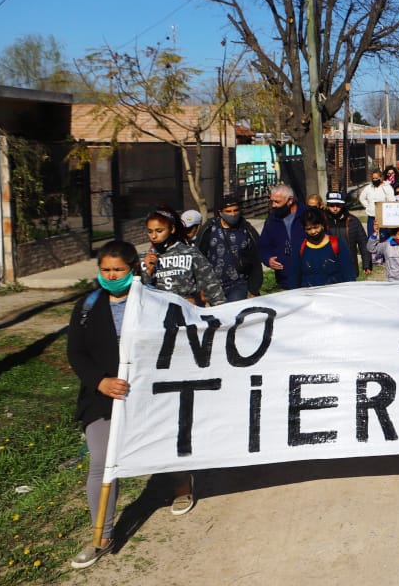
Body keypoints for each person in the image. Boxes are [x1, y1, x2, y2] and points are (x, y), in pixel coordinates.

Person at [67, 241, 194, 569]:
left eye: (118, 270)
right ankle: (101, 536)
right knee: (101, 463)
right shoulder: (87, 306)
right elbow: (76, 353)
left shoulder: (154, 302)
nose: (111, 275)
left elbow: (180, 338)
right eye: (105, 270)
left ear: (133, 268)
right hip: (102, 399)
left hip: (151, 392)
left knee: (165, 446)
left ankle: (181, 486)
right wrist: (101, 382)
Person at [143, 205, 226, 305]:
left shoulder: (190, 253)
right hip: (158, 313)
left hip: (188, 313)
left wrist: (223, 313)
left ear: (172, 229)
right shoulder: (144, 258)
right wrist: (148, 272)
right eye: (150, 231)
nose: (154, 236)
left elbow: (211, 286)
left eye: (159, 231)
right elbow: (138, 294)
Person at [195, 193, 262, 302]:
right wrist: (201, 287)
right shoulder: (209, 229)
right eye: (228, 211)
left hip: (238, 284)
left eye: (235, 210)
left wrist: (254, 289)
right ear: (220, 212)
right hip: (213, 285)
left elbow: (255, 259)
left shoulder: (246, 229)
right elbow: (198, 257)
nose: (233, 214)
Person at [258, 184, 308, 290]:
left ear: (290, 201)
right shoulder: (272, 220)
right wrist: (268, 259)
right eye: (272, 201)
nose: (273, 205)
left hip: (310, 276)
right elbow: (264, 245)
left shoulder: (308, 214)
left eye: (277, 202)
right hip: (285, 279)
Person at [297, 208, 357, 286]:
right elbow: (294, 277)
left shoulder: (338, 244)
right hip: (309, 296)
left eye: (316, 227)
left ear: (322, 225)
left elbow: (348, 274)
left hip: (334, 295)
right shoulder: (300, 246)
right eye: (308, 229)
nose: (313, 232)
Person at [324, 191, 372, 278]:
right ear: (327, 205)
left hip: (349, 265)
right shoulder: (322, 222)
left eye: (338, 205)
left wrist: (366, 264)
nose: (335, 208)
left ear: (342, 205)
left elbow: (363, 243)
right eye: (332, 205)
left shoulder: (353, 221)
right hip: (328, 267)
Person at [358, 170, 395, 238]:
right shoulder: (369, 187)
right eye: (373, 178)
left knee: (384, 236)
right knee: (371, 236)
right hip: (371, 216)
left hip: (383, 216)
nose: (375, 180)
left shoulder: (387, 187)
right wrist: (368, 206)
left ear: (381, 178)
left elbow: (392, 200)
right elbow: (362, 198)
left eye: (376, 178)